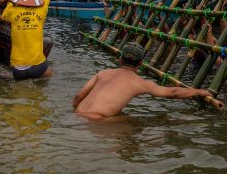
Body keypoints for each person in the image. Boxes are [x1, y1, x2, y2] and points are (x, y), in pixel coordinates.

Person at [73, 43, 213, 119]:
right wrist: (199, 92)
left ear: (120, 59)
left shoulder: (103, 73)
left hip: (78, 113)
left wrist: (74, 112)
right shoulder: (140, 83)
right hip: (98, 120)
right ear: (140, 63)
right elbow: (174, 92)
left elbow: (79, 96)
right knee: (134, 123)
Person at [1, 0, 62, 80]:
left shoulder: (12, 11)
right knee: (50, 75)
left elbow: (4, 17)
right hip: (38, 67)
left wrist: (11, 1)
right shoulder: (41, 11)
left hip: (18, 70)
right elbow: (46, 0)